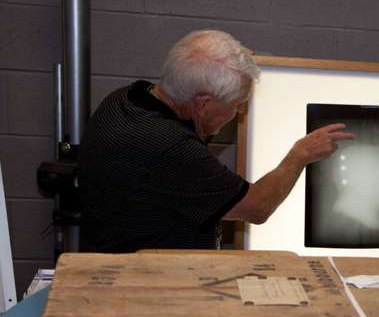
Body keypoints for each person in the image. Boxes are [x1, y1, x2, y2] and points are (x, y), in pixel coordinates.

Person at [78, 30, 353, 252]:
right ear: (202, 104)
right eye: (237, 104)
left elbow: (189, 136)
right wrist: (301, 154)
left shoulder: (125, 98)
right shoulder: (171, 147)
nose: (239, 113)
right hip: (145, 288)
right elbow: (257, 207)